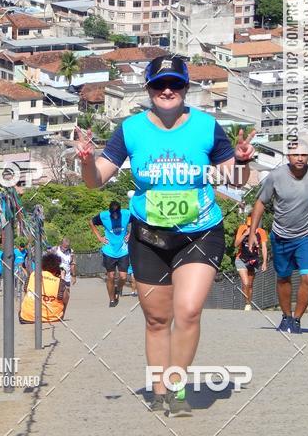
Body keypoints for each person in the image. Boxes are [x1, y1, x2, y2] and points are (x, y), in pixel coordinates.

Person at [77, 54, 255, 416]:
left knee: (187, 311)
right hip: (149, 237)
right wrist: (85, 161)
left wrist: (241, 161)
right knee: (157, 320)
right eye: (160, 84)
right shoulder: (130, 130)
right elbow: (96, 181)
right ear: (149, 89)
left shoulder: (207, 127)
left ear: (186, 88)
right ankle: (159, 391)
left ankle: (176, 387)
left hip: (199, 233)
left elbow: (235, 181)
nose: (168, 90)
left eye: (175, 84)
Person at [248, 141, 308, 335]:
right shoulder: (275, 176)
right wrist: (253, 232)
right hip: (281, 236)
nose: (299, 158)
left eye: (304, 155)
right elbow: (261, 202)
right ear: (288, 156)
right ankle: (286, 316)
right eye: (295, 155)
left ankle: (296, 319)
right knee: (283, 278)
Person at [90, 201, 131, 308]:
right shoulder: (103, 216)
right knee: (111, 276)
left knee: (123, 277)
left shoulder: (126, 213)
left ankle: (118, 289)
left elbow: (138, 221)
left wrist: (131, 234)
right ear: (110, 212)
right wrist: (99, 237)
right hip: (109, 250)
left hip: (123, 250)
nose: (115, 216)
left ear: (120, 211)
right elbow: (91, 222)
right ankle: (112, 299)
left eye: (117, 214)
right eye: (113, 214)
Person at [19, 252, 69, 324]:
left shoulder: (33, 275)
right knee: (65, 295)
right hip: (52, 318)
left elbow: (25, 291)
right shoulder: (59, 282)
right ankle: (61, 315)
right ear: (56, 269)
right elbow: (65, 297)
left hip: (26, 317)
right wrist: (63, 278)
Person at [234, 215, 268, 310]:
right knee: (245, 283)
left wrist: (264, 262)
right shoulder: (242, 228)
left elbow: (264, 247)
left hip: (253, 260)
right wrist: (245, 234)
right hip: (241, 259)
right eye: (249, 226)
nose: (250, 227)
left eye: (252, 226)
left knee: (250, 284)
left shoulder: (261, 232)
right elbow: (236, 244)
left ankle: (248, 302)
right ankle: (247, 304)